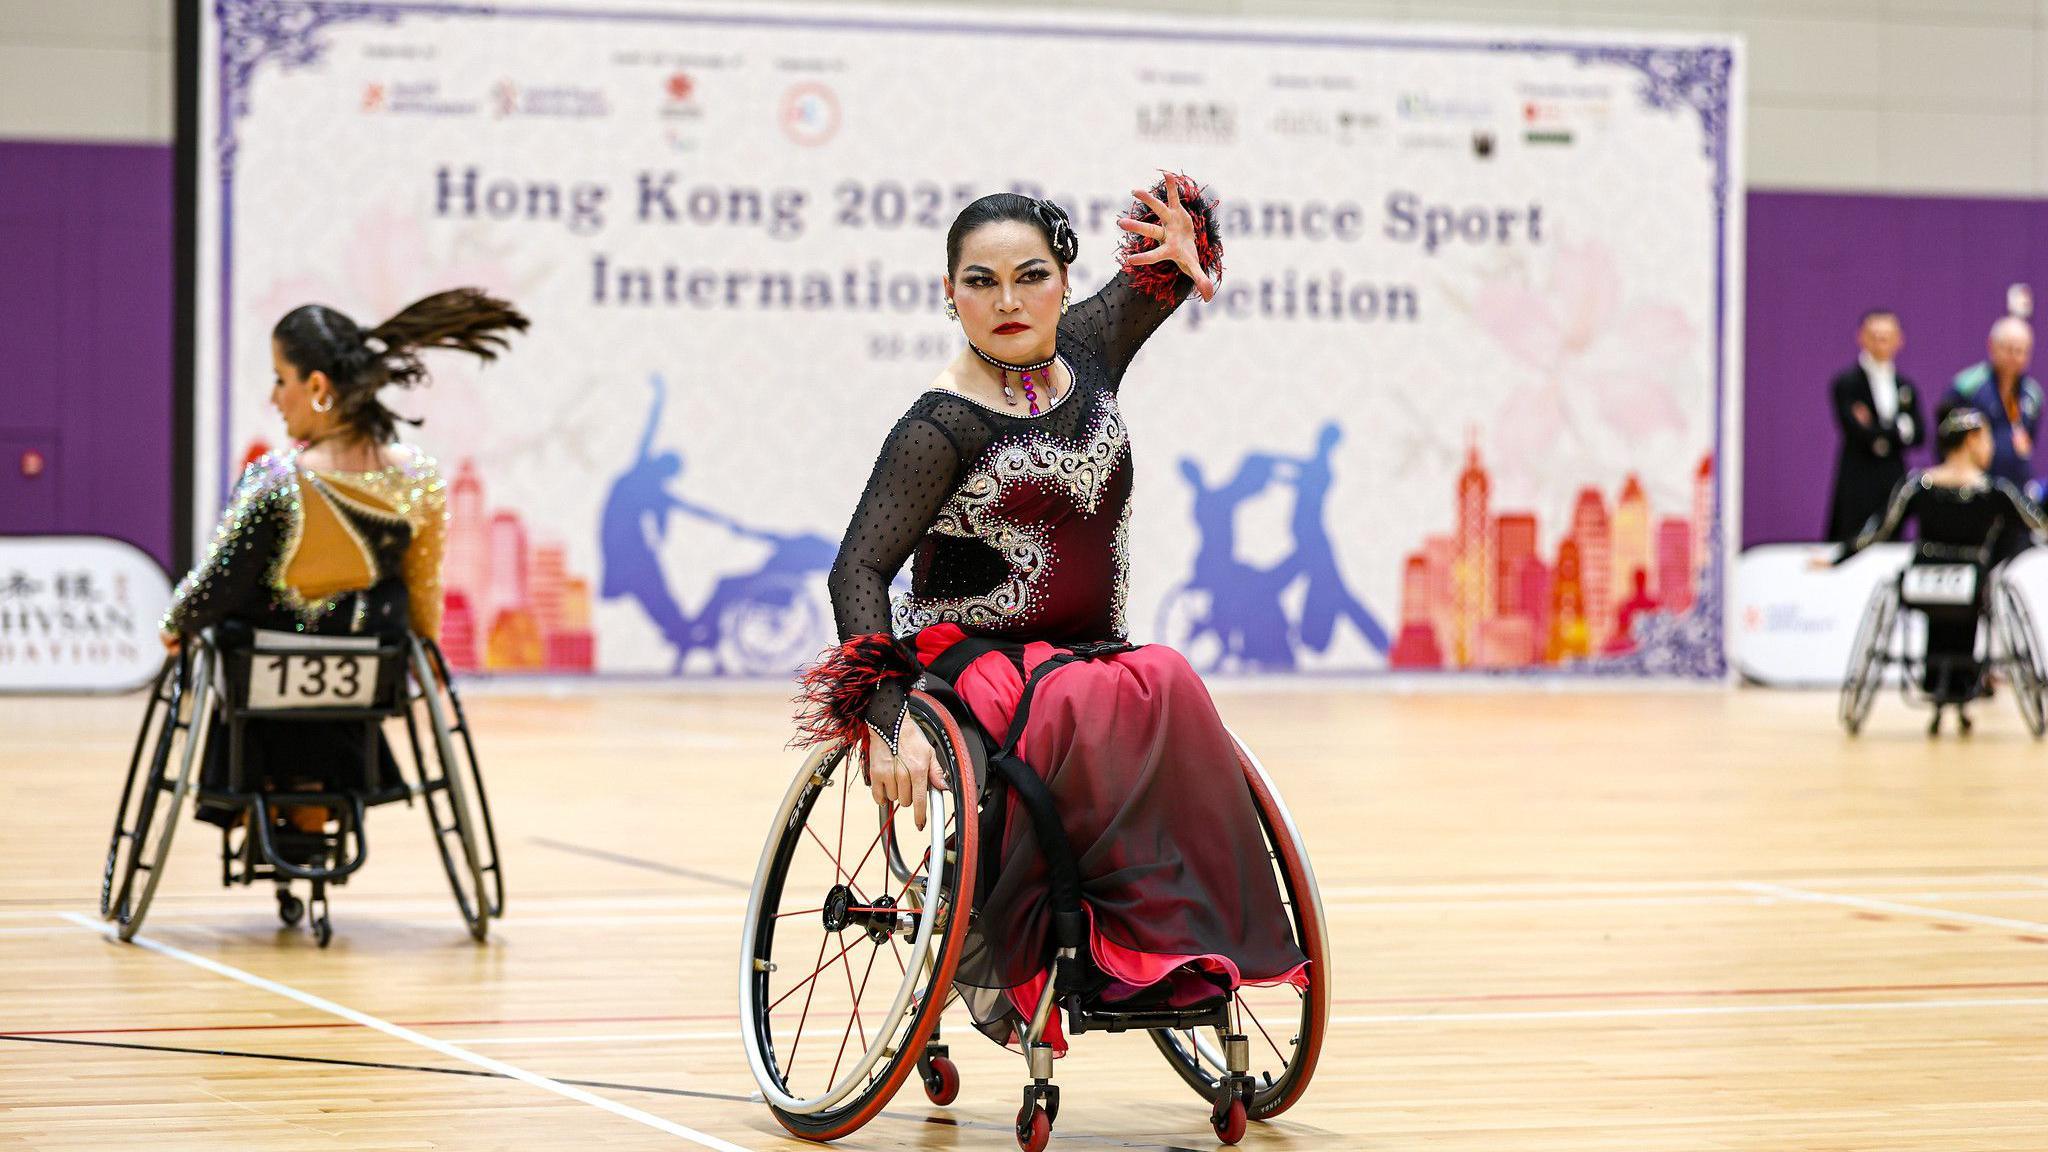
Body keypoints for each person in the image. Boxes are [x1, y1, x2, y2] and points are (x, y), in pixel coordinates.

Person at [794, 176, 1307, 1049]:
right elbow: (859, 569)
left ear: (1065, 283)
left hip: (1089, 649)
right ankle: (1085, 948)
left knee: (1170, 680)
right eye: (980, 282)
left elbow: (1163, 268)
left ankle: (1174, 947)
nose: (1008, 301)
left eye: (1030, 276)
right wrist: (884, 720)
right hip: (973, 658)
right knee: (1075, 703)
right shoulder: (937, 427)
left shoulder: (1090, 346)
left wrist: (1186, 233)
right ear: (948, 294)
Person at [161, 288, 527, 827]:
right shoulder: (418, 477)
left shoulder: (276, 480)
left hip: (264, 683)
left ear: (316, 386)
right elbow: (422, 587)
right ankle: (318, 805)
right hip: (365, 681)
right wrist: (423, 644)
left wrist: (177, 622)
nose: (274, 397)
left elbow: (221, 582)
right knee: (352, 640)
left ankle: (248, 799)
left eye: (280, 380)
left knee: (249, 638)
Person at [1833, 403, 2046, 705]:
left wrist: (1837, 556)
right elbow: (2039, 522)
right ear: (1971, 440)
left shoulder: (1918, 485)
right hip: (1971, 586)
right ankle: (1961, 682)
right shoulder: (1997, 491)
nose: (1991, 447)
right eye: (1987, 438)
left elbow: (1877, 529)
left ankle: (1937, 681)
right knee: (1972, 596)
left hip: (1920, 585)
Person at [1825, 309, 1923, 543]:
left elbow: (1919, 434)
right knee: (1854, 536)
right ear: (1862, 338)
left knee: (1891, 536)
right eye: (1875, 335)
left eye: (1887, 336)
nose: (1881, 342)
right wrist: (1898, 429)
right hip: (1857, 478)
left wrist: (1879, 430)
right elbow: (1858, 431)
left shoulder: (1904, 386)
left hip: (1892, 477)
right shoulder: (1847, 383)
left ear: (1899, 340)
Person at [1946, 315, 2043, 504]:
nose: (2014, 357)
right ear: (1992, 346)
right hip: (1973, 491)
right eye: (2008, 349)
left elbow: (2029, 438)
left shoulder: (2033, 394)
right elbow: (1948, 442)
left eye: (2021, 351)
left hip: (2017, 488)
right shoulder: (1967, 386)